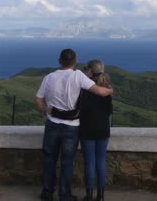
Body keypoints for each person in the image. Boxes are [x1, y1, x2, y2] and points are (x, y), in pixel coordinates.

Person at [35, 49, 113, 201]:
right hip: (71, 127)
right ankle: (65, 195)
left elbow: (38, 100)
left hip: (52, 124)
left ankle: (47, 192)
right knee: (67, 161)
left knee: (49, 159)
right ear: (75, 61)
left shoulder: (49, 77)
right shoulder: (78, 76)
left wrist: (45, 110)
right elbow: (99, 92)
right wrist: (110, 90)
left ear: (59, 61)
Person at [79, 60, 112, 201]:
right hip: (103, 129)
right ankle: (101, 196)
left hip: (87, 129)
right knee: (100, 161)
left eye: (86, 69)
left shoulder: (85, 89)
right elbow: (109, 111)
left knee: (89, 162)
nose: (84, 71)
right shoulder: (107, 89)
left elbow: (80, 110)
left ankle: (89, 194)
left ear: (90, 71)